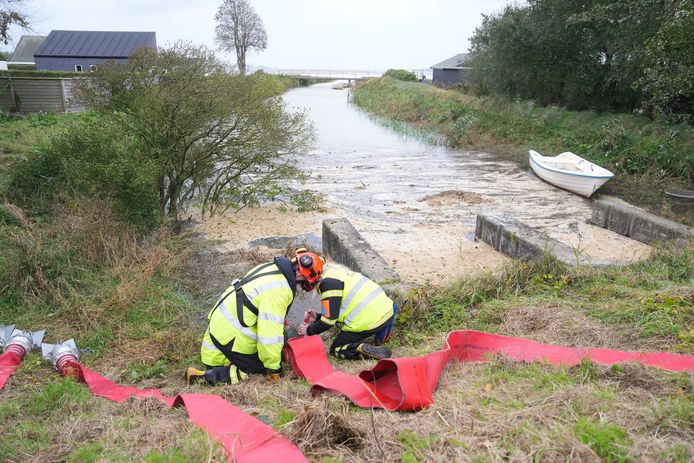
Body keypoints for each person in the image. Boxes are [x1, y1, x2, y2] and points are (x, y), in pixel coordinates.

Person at [185, 248, 325, 385]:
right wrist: (274, 369)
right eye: (305, 284)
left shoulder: (271, 269)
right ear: (302, 276)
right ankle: (209, 377)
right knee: (261, 369)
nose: (302, 287)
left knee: (278, 341)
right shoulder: (280, 290)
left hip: (219, 336)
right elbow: (269, 335)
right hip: (224, 350)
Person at [297, 264, 397, 360]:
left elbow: (329, 321)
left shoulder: (327, 285)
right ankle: (381, 335)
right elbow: (337, 309)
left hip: (369, 319)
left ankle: (360, 348)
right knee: (375, 318)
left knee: (336, 349)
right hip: (387, 310)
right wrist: (317, 317)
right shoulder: (336, 272)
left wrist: (309, 330)